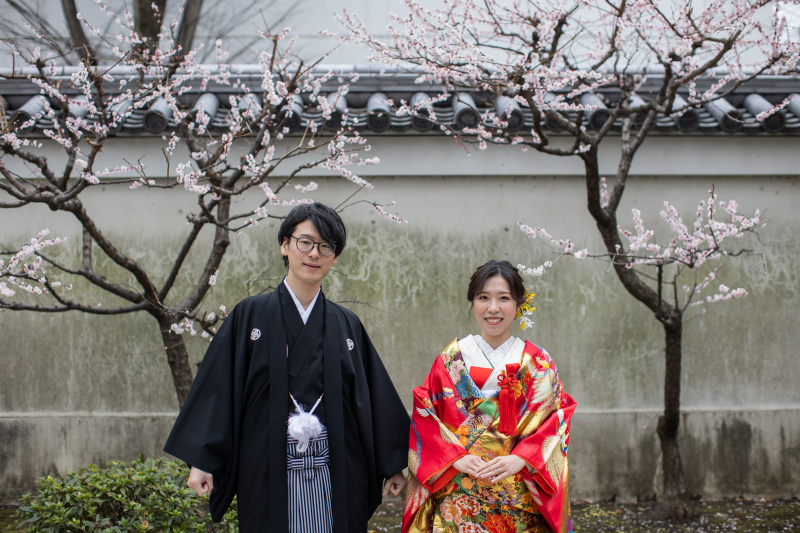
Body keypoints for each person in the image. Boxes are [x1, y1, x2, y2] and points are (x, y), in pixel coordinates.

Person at [164, 202, 410, 533]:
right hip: (267, 466)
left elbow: (372, 396)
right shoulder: (249, 315)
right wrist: (202, 460)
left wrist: (392, 462)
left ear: (334, 257)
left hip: (336, 464)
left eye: (326, 246)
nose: (314, 254)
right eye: (305, 242)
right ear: (285, 244)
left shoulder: (345, 323)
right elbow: (218, 388)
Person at [402, 260, 576, 533]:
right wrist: (454, 458)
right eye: (484, 297)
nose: (493, 308)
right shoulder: (450, 360)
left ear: (518, 304)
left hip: (519, 495)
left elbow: (556, 420)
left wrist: (523, 458)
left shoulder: (537, 363)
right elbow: (425, 416)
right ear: (473, 302)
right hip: (458, 494)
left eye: (504, 298)